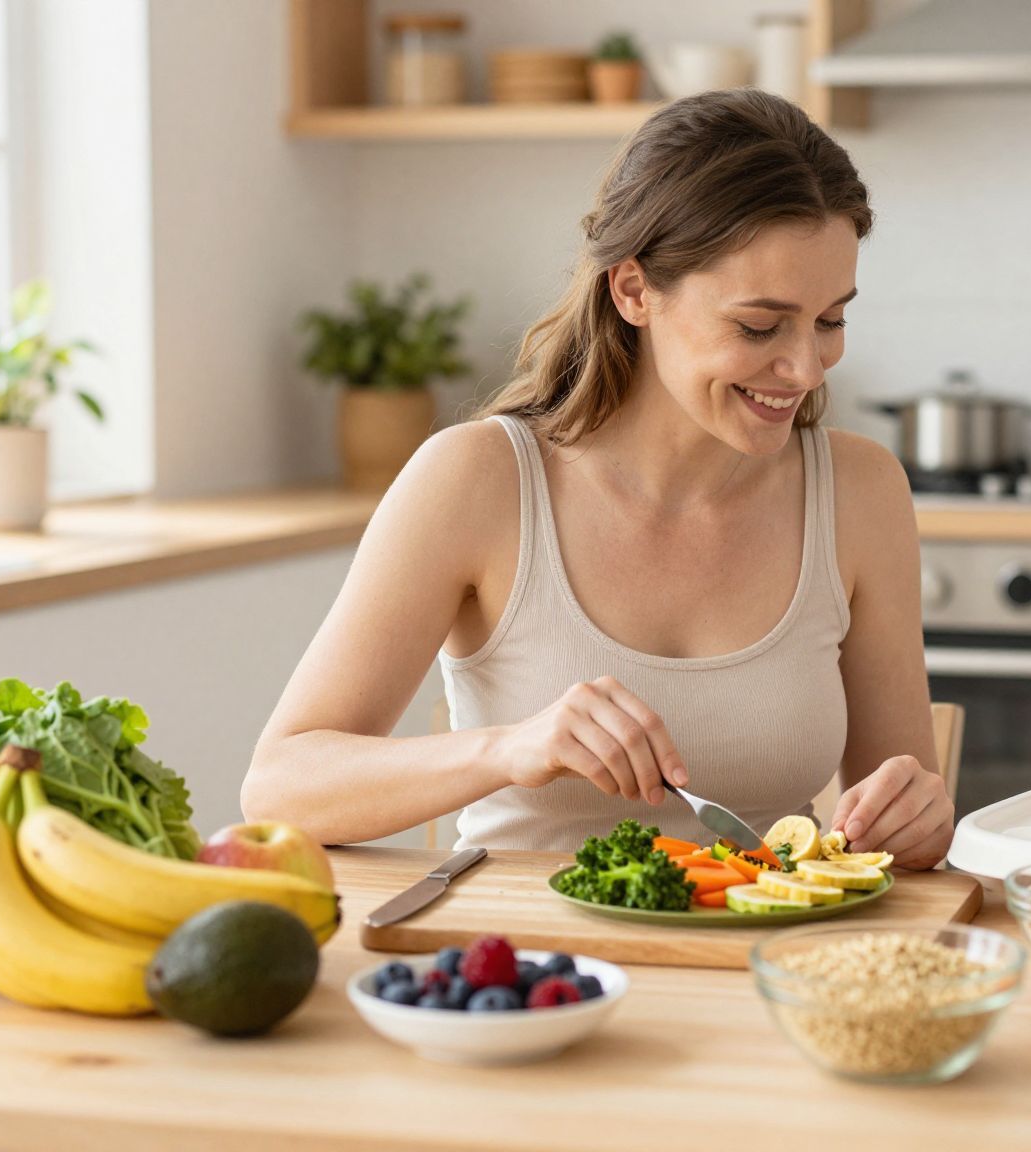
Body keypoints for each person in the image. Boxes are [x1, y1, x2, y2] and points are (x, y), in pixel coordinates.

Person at [243, 90, 955, 869]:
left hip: (765, 969)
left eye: (831, 320)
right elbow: (280, 787)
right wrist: (509, 749)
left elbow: (901, 824)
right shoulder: (478, 482)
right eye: (758, 326)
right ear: (633, 290)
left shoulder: (859, 492)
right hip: (530, 975)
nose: (805, 367)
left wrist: (916, 818)